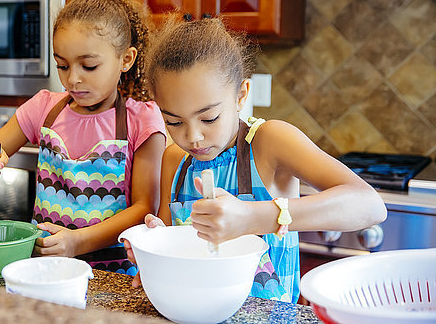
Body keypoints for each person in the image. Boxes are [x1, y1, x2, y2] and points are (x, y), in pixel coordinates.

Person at [124, 17, 387, 302]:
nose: (193, 136)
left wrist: (252, 217)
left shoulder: (268, 142)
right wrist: (155, 252)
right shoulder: (175, 160)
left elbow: (369, 205)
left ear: (241, 95)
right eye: (173, 122)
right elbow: (175, 245)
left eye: (209, 117)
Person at [0, 0, 167, 276]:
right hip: (46, 270)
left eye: (89, 66)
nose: (73, 78)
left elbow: (144, 208)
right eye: (62, 65)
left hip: (112, 277)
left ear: (126, 59)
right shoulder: (43, 108)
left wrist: (76, 242)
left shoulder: (141, 121)